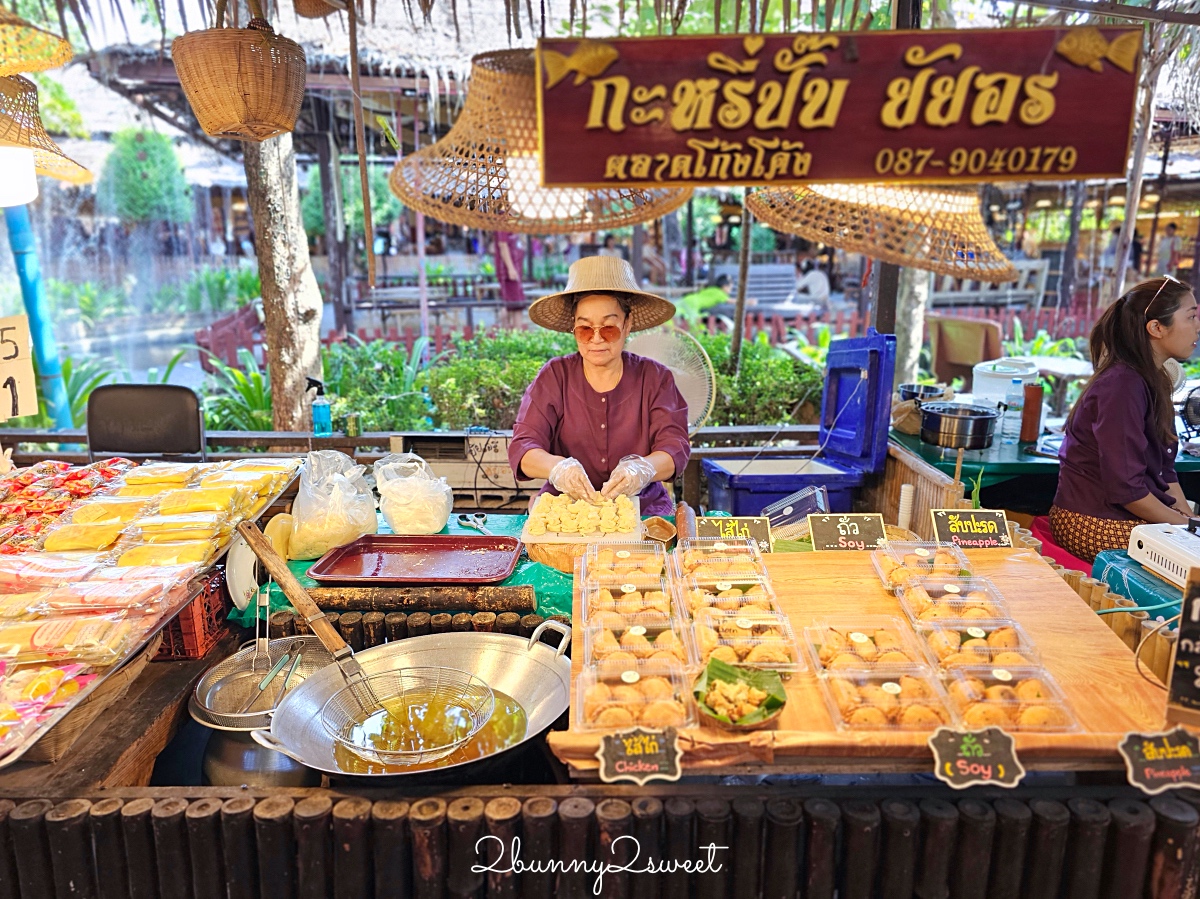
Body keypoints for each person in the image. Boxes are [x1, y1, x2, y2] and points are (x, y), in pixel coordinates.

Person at [508, 255, 691, 517]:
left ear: (627, 325)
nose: (596, 339)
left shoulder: (655, 378)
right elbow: (523, 447)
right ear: (573, 327)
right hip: (565, 512)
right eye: (584, 329)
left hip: (644, 511)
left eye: (608, 328)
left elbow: (675, 447)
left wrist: (643, 469)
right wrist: (558, 468)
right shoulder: (554, 376)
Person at [1049, 276, 1200, 562]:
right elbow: (1127, 491)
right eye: (1191, 316)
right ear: (1156, 328)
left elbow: (1165, 473)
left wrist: (1189, 519)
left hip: (1121, 514)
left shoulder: (1152, 380)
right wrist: (1185, 527)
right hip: (1090, 521)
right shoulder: (1122, 385)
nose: (1198, 326)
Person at [493, 231, 526, 329]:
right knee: (510, 304)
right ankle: (502, 332)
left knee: (517, 305)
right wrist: (510, 268)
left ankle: (516, 335)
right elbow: (502, 245)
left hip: (516, 269)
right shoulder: (503, 220)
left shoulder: (514, 222)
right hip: (508, 272)